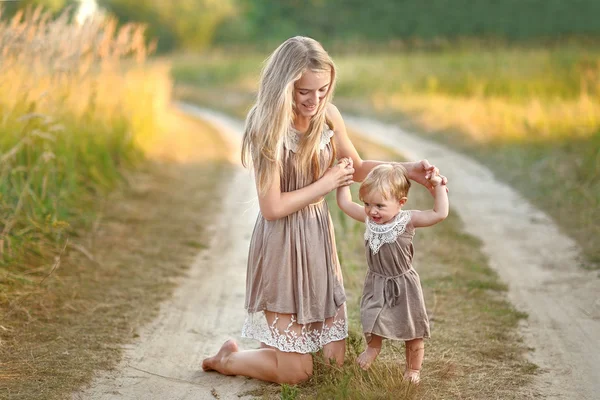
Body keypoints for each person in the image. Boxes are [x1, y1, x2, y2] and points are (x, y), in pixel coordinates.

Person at [201, 36, 447, 385]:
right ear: (284, 86)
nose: (315, 100)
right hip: (282, 242)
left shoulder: (328, 116)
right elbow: (272, 207)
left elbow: (356, 168)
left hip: (317, 236)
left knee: (331, 367)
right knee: (298, 375)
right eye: (304, 91)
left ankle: (277, 350)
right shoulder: (266, 125)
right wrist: (327, 183)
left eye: (323, 90)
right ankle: (231, 358)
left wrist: (407, 169)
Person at [335, 162, 448, 383]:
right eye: (367, 203)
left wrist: (438, 187)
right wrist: (343, 181)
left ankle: (413, 369)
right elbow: (345, 203)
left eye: (379, 205)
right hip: (377, 281)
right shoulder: (369, 218)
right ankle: (373, 348)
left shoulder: (407, 220)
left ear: (400, 203)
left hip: (403, 283)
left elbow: (439, 213)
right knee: (373, 316)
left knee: (412, 329)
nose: (372, 210)